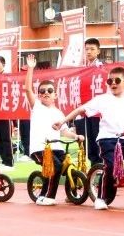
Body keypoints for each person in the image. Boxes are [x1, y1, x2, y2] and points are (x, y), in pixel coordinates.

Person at [58, 66, 124, 211]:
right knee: (111, 164)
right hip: (107, 139)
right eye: (110, 81)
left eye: (117, 80)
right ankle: (101, 198)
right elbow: (80, 109)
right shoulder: (103, 99)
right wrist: (63, 122)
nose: (113, 83)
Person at [23, 54, 82, 206]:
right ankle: (47, 196)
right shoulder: (36, 107)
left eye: (49, 90)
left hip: (57, 148)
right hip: (40, 149)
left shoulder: (59, 113)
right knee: (55, 167)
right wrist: (30, 68)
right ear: (39, 95)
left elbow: (64, 131)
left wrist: (75, 136)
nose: (46, 93)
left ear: (55, 95)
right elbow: (27, 89)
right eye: (42, 91)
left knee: (69, 166)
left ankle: (73, 194)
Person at [73, 37, 105, 165]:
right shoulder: (83, 69)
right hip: (85, 110)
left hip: (97, 111)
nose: (89, 52)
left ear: (98, 51)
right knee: (88, 140)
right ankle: (94, 166)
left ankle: (101, 165)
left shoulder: (101, 68)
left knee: (98, 139)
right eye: (87, 49)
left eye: (92, 49)